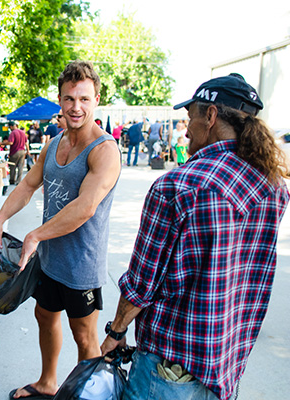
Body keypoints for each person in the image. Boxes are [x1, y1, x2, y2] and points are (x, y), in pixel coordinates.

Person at [100, 74, 290, 400]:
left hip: (169, 365)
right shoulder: (273, 188)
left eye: (190, 119)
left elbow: (142, 283)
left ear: (211, 116)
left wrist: (116, 331)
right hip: (227, 362)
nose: (186, 130)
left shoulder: (179, 185)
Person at [0, 61, 121, 399]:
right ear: (60, 101)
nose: (76, 107)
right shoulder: (54, 144)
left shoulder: (104, 151)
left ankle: (87, 396)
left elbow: (84, 207)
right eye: (69, 99)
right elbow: (27, 185)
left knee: (85, 336)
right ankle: (48, 383)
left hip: (81, 264)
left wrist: (35, 235)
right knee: (44, 315)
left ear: (96, 99)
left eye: (84, 99)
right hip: (49, 260)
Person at [2, 121, 29, 186]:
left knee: (12, 166)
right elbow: (26, 142)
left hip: (15, 151)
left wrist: (2, 143)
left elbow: (11, 142)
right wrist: (28, 151)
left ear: (11, 126)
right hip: (22, 151)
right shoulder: (22, 132)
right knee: (20, 166)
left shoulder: (12, 133)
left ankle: (12, 180)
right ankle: (18, 181)